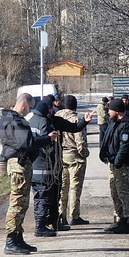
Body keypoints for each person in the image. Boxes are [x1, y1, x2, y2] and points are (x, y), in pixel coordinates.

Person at [0, 93, 58, 255]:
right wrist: (47, 139)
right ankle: (11, 240)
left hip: (22, 163)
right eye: (30, 108)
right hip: (18, 164)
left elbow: (28, 139)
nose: (30, 111)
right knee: (17, 203)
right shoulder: (14, 120)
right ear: (24, 103)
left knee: (23, 203)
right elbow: (27, 142)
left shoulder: (13, 119)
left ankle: (18, 237)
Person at [26, 99, 90, 236]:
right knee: (43, 198)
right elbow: (45, 145)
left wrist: (84, 121)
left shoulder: (38, 121)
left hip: (44, 167)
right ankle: (40, 227)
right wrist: (50, 140)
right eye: (51, 108)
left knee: (54, 195)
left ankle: (54, 222)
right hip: (44, 168)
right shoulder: (44, 123)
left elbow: (73, 127)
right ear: (48, 109)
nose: (53, 110)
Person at [100, 98, 129, 233]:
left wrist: (117, 161)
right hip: (112, 163)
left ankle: (127, 222)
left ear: (116, 111)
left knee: (123, 193)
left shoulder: (127, 124)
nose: (108, 112)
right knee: (114, 192)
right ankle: (119, 219)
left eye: (110, 109)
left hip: (122, 165)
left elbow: (124, 146)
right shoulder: (114, 123)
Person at [56, 95, 90, 227]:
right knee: (75, 187)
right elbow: (80, 141)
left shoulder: (56, 117)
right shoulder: (75, 119)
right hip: (75, 156)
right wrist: (84, 154)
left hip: (61, 155)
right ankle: (74, 215)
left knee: (62, 188)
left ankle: (61, 216)